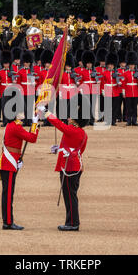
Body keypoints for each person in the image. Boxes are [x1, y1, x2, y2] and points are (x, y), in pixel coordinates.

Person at [37, 94, 88, 231]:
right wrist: (59, 149)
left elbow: (58, 124)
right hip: (73, 165)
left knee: (70, 195)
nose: (68, 118)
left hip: (69, 167)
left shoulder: (72, 130)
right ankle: (71, 221)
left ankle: (73, 223)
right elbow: (76, 149)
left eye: (71, 117)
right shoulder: (80, 132)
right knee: (70, 195)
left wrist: (46, 112)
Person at [0, 106, 40, 230]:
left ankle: (8, 220)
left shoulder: (12, 125)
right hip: (9, 163)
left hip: (10, 161)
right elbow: (32, 138)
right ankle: (8, 222)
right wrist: (35, 124)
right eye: (20, 112)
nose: (23, 113)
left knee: (8, 193)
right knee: (8, 194)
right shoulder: (15, 127)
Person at [121, 51, 138, 126]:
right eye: (130, 65)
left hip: (135, 92)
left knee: (134, 107)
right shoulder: (125, 73)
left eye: (133, 65)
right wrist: (124, 92)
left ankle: (134, 120)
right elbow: (123, 84)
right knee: (128, 108)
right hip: (128, 92)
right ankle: (129, 120)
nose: (132, 66)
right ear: (129, 65)